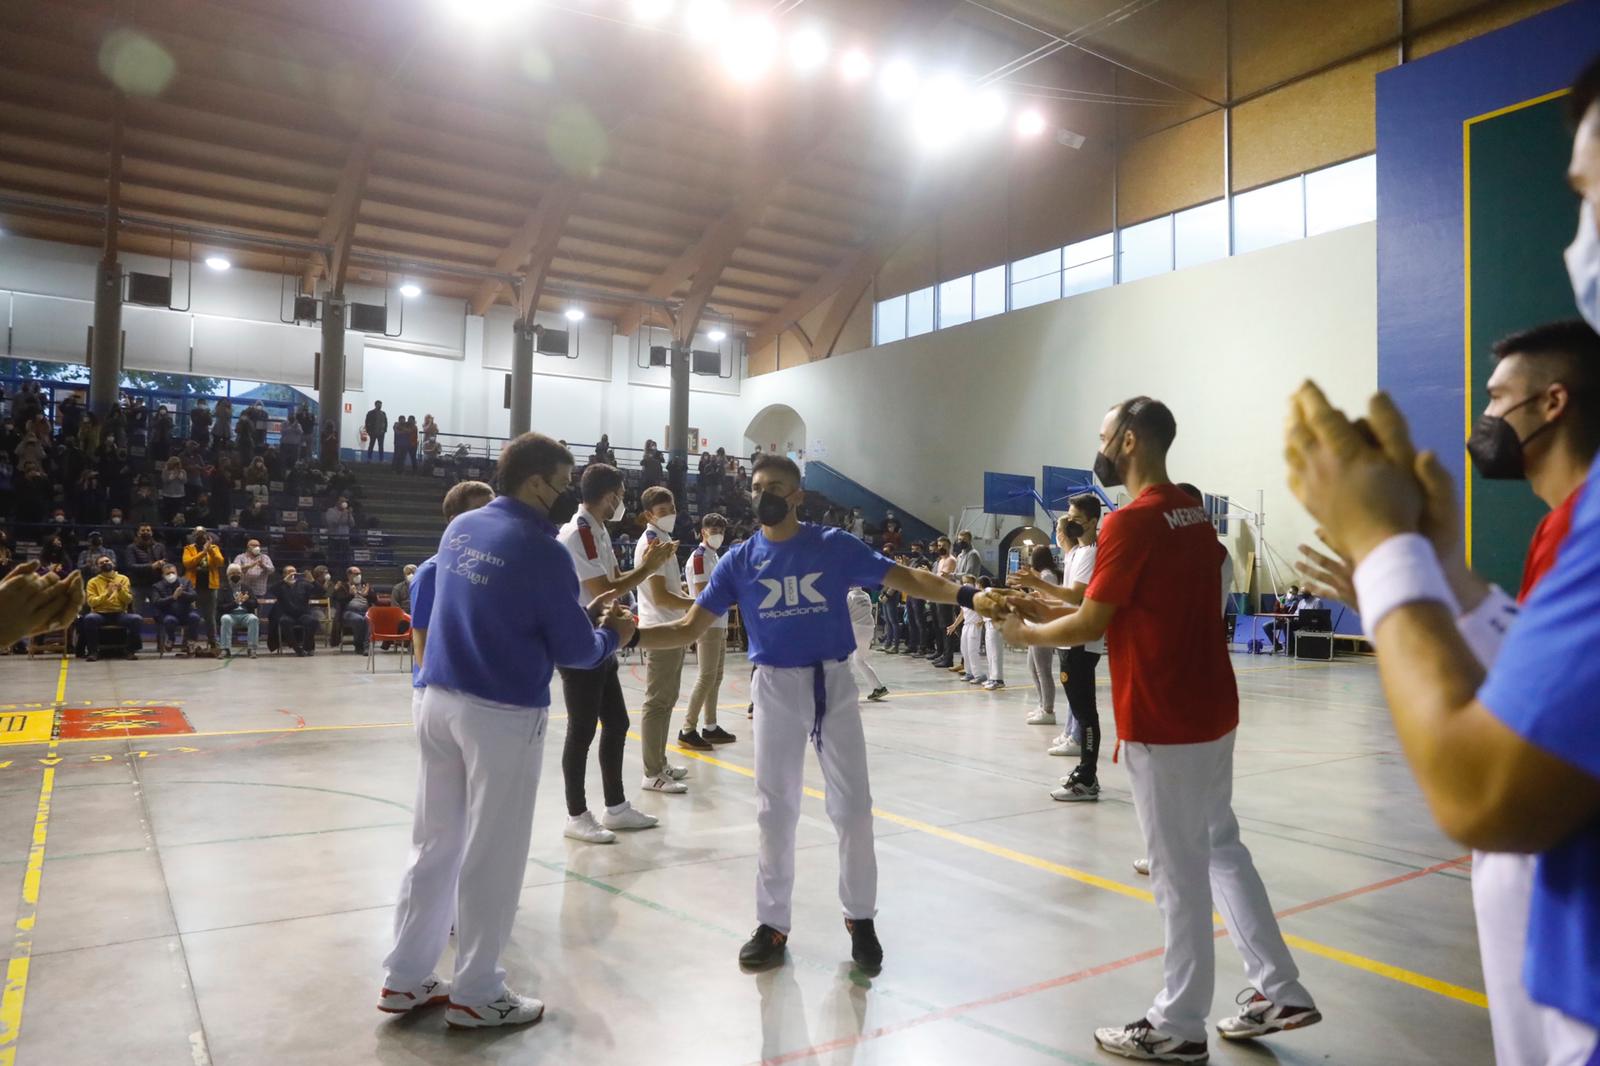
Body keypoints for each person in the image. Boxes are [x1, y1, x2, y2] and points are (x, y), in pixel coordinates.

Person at [1295, 317, 1600, 1066]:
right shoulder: (1561, 525)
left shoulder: (1585, 526)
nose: (1485, 418)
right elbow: (1540, 682)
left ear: (1553, 404)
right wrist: (1437, 575)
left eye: (1499, 399)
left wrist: (1389, 558)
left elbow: (1479, 790)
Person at [1003, 397, 1318, 1060]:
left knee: (1177, 872)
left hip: (1164, 716)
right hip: (1211, 708)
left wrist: (1026, 630)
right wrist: (1053, 598)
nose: (1097, 447)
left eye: (1102, 436)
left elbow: (1092, 625)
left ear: (1126, 440)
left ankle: (1177, 1025)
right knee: (1221, 849)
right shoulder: (1190, 514)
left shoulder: (1130, 523)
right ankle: (1280, 989)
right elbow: (1124, 601)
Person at [631, 454, 1010, 972]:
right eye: (759, 485)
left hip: (831, 682)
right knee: (774, 808)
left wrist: (969, 594)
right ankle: (772, 923)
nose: (765, 493)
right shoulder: (738, 560)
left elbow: (906, 578)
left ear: (797, 496)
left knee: (853, 807)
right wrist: (625, 632)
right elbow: (686, 627)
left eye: (777, 487)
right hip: (775, 687)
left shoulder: (831, 546)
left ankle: (860, 917)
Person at [380, 432, 637, 1030]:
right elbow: (576, 651)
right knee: (494, 851)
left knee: (433, 843)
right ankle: (477, 990)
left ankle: (405, 978)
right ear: (536, 483)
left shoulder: (460, 529)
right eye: (562, 481)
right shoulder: (541, 549)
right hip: (499, 713)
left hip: (437, 699)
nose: (565, 493)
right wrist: (614, 635)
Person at [556, 464, 677, 843]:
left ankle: (616, 807)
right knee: (581, 730)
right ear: (610, 495)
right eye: (620, 496)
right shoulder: (580, 533)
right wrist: (648, 567)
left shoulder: (598, 530)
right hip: (581, 638)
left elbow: (610, 585)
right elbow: (604, 588)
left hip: (604, 635)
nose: (620, 503)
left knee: (618, 722)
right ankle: (577, 815)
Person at [408, 481, 495, 726]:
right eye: (481, 509)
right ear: (456, 521)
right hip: (438, 694)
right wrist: (441, 694)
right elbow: (421, 640)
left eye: (493, 508)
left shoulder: (494, 572)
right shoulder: (430, 574)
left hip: (481, 692)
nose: (491, 517)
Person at [633, 486, 699, 792]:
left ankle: (660, 763)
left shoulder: (663, 542)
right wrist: (698, 605)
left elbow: (673, 589)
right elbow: (660, 597)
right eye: (663, 511)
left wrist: (688, 603)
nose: (670, 514)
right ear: (649, 515)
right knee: (657, 701)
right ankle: (651, 772)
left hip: (673, 627)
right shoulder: (651, 543)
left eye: (671, 507)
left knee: (667, 700)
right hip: (659, 629)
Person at [679, 512, 738, 750]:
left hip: (719, 621)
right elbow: (705, 592)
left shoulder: (714, 556)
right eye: (714, 531)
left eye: (721, 531)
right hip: (707, 622)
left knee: (716, 677)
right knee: (706, 677)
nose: (718, 535)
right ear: (703, 532)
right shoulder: (700, 557)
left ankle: (710, 726)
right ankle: (687, 729)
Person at [1020, 545, 1062, 727]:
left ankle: (1048, 710)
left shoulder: (1046, 575)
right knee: (1033, 668)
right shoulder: (1044, 575)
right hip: (1036, 625)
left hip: (1043, 626)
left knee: (1043, 670)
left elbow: (1050, 599)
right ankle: (1042, 704)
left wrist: (1031, 598)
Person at [81, 554, 143, 662]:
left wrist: (120, 591)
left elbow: (128, 600)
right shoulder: (92, 582)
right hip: (100, 614)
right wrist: (107, 593)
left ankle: (130, 651)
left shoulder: (123, 579)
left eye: (107, 561)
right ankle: (93, 652)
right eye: (101, 563)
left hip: (119, 614)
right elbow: (91, 602)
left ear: (113, 563)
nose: (105, 563)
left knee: (136, 619)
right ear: (97, 567)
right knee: (89, 619)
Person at [182, 527, 225, 644]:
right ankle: (187, 641)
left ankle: (213, 641)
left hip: (210, 587)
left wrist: (209, 549)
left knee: (210, 617)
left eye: (202, 534)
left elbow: (220, 562)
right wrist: (203, 553)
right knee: (190, 615)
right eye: (197, 534)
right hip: (192, 588)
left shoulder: (214, 548)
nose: (200, 536)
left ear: (207, 535)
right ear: (193, 536)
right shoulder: (188, 548)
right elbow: (187, 564)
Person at [847, 585, 889, 701]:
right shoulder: (866, 596)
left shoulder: (849, 597)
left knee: (846, 661)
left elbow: (844, 615)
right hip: (869, 629)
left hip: (855, 629)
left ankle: (845, 693)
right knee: (859, 660)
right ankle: (879, 687)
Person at [268, 565, 319, 656]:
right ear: (284, 574)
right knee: (284, 622)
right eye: (289, 572)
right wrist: (284, 581)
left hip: (303, 614)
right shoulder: (280, 585)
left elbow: (321, 592)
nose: (292, 574)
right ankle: (297, 649)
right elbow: (272, 590)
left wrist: (313, 581)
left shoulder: (303, 583)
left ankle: (306, 647)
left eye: (294, 571)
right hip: (287, 614)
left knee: (313, 621)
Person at [153, 562, 204, 654]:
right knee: (169, 620)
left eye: (173, 573)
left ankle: (191, 641)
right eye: (167, 574)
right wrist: (173, 597)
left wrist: (182, 594)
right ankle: (171, 639)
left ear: (177, 573)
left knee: (195, 617)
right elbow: (157, 602)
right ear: (163, 575)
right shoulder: (157, 586)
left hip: (186, 613)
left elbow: (194, 596)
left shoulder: (185, 582)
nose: (171, 575)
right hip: (169, 614)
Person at [218, 564, 259, 657]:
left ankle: (252, 649)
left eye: (238, 573)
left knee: (254, 619)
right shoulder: (223, 588)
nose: (236, 575)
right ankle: (225, 649)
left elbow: (255, 604)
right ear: (228, 575)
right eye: (233, 573)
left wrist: (246, 601)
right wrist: (235, 603)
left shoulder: (247, 588)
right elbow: (220, 607)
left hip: (245, 615)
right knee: (225, 619)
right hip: (230, 615)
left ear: (241, 575)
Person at [123, 523, 166, 611]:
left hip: (155, 584)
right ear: (138, 533)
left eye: (148, 530)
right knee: (137, 611)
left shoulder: (159, 546)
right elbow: (131, 566)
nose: (146, 532)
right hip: (138, 584)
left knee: (159, 611)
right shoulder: (131, 548)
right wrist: (151, 566)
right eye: (143, 530)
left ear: (152, 533)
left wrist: (163, 564)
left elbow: (166, 560)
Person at [333, 565, 373, 654]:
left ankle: (366, 647)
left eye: (359, 573)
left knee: (369, 620)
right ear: (349, 575)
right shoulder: (343, 586)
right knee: (358, 619)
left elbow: (375, 600)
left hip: (365, 611)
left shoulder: (365, 585)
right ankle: (359, 645)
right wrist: (350, 595)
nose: (358, 576)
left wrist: (368, 595)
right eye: (356, 574)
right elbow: (339, 600)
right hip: (349, 612)